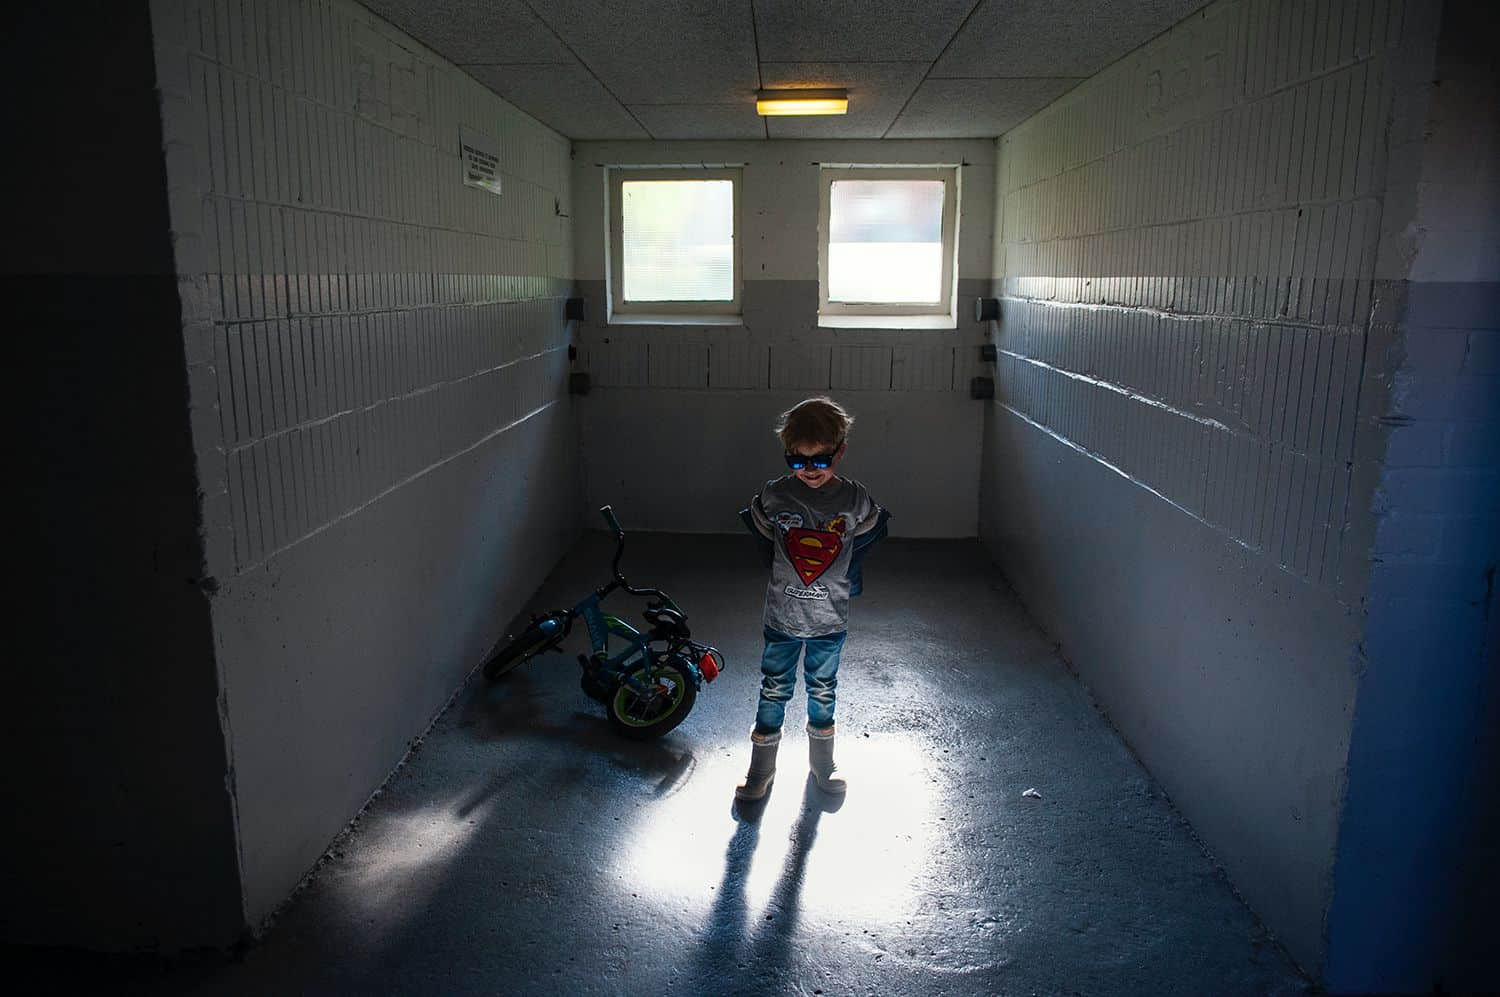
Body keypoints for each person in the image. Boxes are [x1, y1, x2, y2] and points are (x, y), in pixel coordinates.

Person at [735, 397, 884, 801]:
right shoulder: (774, 495)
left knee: (823, 689)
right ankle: (760, 769)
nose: (810, 471)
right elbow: (764, 534)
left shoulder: (854, 499)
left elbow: (870, 531)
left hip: (829, 620)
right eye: (797, 461)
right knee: (774, 689)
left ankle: (823, 764)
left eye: (821, 460)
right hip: (782, 616)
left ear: (840, 451)